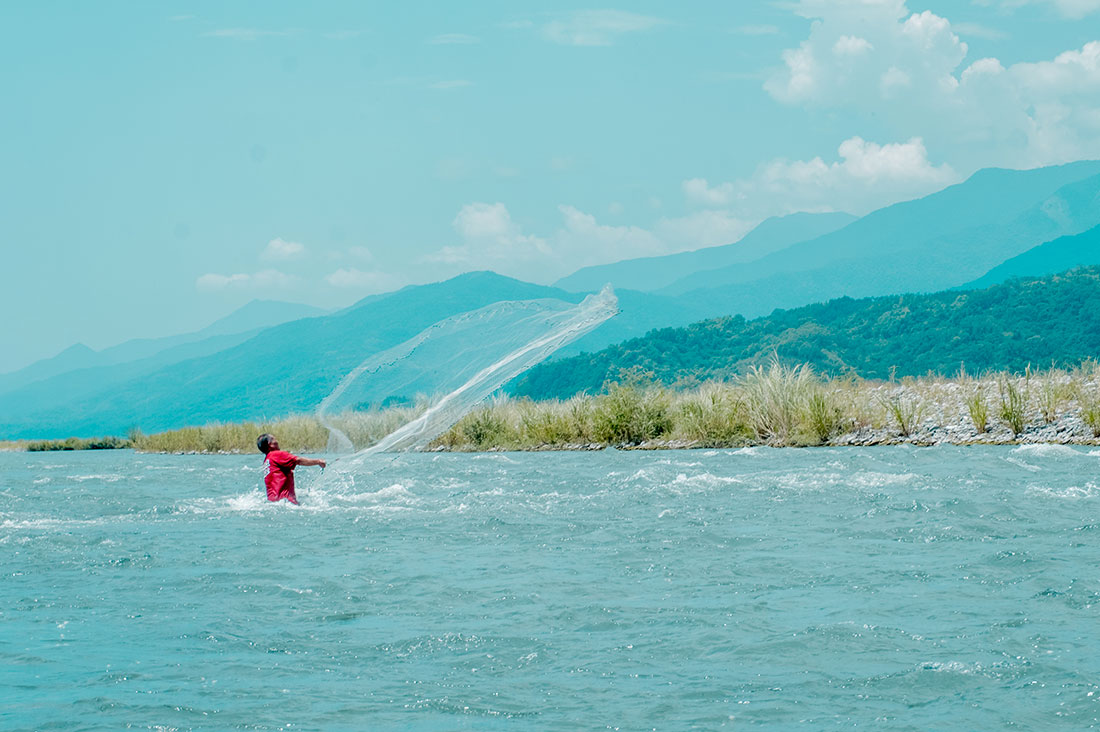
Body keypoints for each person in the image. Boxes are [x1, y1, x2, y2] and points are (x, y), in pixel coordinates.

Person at [256, 433, 326, 505]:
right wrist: (318, 461)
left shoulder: (267, 460)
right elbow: (298, 460)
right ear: (270, 444)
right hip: (286, 502)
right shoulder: (277, 454)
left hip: (273, 502)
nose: (277, 441)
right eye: (274, 439)